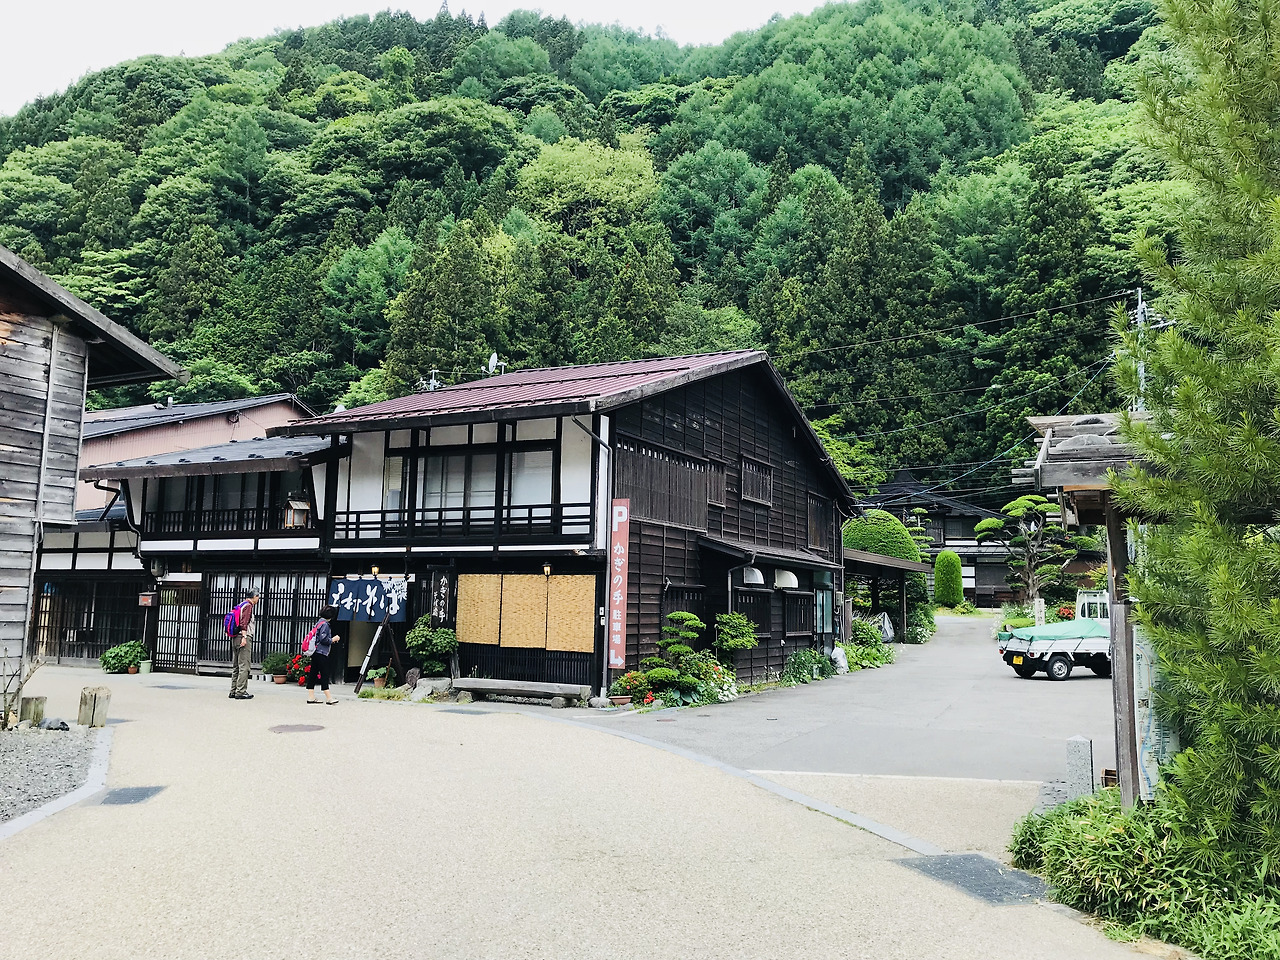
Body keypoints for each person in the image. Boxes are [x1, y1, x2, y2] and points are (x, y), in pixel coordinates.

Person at [306, 605, 340, 705]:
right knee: (324, 673)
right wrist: (333, 639)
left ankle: (311, 696)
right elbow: (323, 639)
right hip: (321, 652)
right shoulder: (325, 624)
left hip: (315, 651)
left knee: (313, 673)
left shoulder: (319, 622)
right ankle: (329, 697)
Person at [229, 590, 260, 700]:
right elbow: (244, 622)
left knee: (236, 665)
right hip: (243, 637)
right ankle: (241, 691)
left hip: (235, 637)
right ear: (254, 596)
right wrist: (244, 636)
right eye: (258, 596)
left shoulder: (241, 605)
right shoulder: (248, 606)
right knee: (244, 665)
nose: (258, 599)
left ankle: (233, 690)